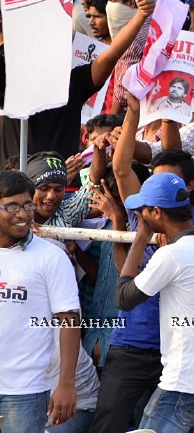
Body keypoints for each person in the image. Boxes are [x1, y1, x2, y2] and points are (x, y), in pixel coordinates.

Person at [114, 172, 194, 432]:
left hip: (184, 383)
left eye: (143, 212)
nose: (140, 217)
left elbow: (123, 298)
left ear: (156, 212)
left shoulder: (171, 255)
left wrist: (140, 237)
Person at [0, 170, 82, 432]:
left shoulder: (51, 256)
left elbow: (70, 321)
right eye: (12, 206)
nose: (23, 214)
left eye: (27, 205)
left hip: (26, 391)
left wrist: (66, 383)